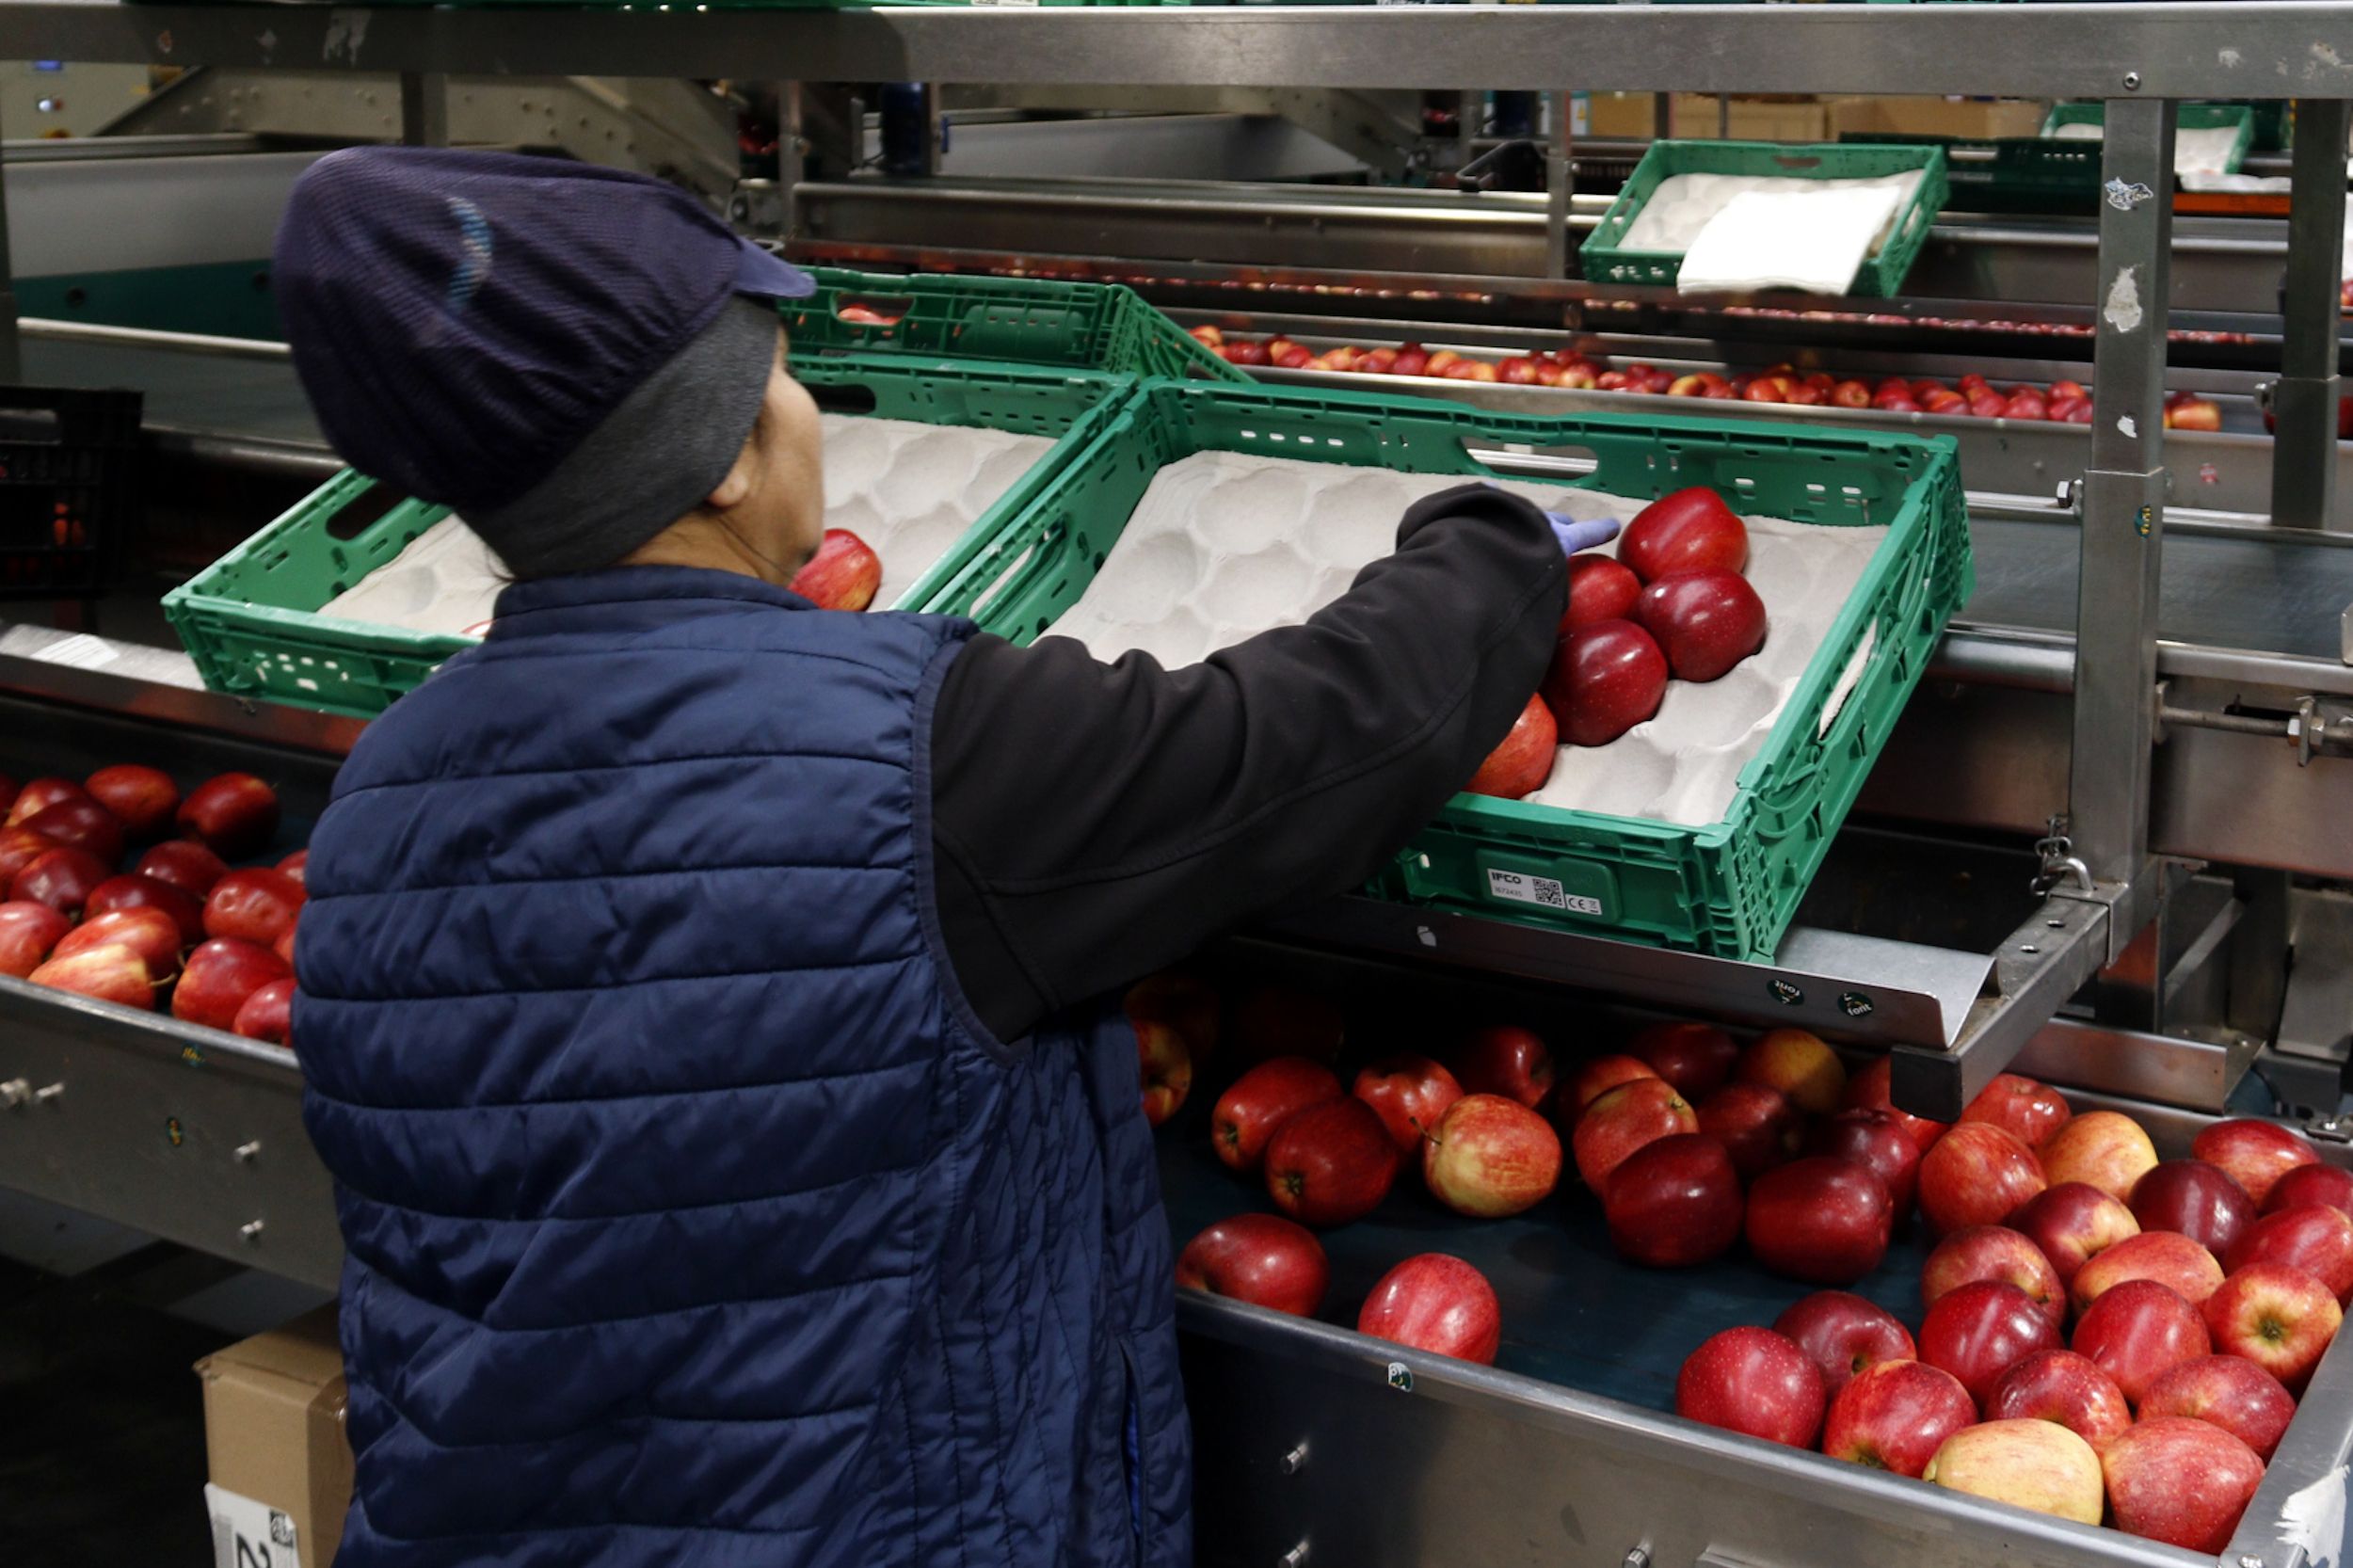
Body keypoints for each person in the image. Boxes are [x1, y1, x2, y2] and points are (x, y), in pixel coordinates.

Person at [276, 147, 1596, 1568]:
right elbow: (1319, 738)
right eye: (782, 376)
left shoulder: (379, 795)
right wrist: (1492, 547)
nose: (807, 414)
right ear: (723, 455)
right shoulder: (923, 763)